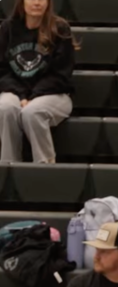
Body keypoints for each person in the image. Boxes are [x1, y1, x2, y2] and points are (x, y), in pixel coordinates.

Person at [0, 0, 76, 164]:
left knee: (32, 112)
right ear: (22, 2)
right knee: (5, 108)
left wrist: (34, 96)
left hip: (54, 94)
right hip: (16, 92)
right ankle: (7, 168)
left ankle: (45, 169)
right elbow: (2, 71)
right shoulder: (8, 28)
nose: (37, 2)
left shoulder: (60, 28)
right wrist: (21, 95)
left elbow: (61, 74)